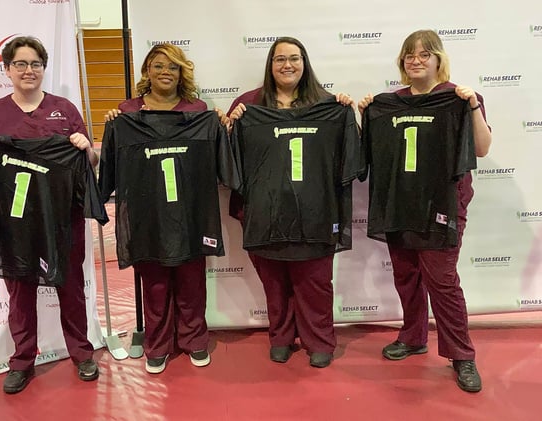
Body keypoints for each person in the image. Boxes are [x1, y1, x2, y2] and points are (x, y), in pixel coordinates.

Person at [358, 29, 492, 392]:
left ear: (438, 59)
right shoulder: (390, 102)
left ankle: (462, 355)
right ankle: (413, 336)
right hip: (399, 202)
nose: (415, 60)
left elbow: (481, 149)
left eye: (423, 54)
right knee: (406, 275)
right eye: (409, 55)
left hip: (442, 203)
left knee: (442, 280)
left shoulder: (459, 98)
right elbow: (367, 151)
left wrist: (474, 107)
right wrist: (365, 114)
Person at [0, 36, 101, 394]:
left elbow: (89, 164)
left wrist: (86, 149)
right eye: (21, 64)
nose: (29, 71)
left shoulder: (65, 109)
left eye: (36, 64)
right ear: (8, 70)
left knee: (70, 288)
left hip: (61, 219)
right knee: (20, 294)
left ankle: (82, 354)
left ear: (44, 68)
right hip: (14, 223)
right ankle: (22, 361)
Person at [228, 36, 358, 368]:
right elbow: (227, 158)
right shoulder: (250, 105)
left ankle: (319, 340)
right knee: (274, 282)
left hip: (315, 211)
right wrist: (229, 124)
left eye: (295, 58)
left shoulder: (327, 103)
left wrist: (346, 113)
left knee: (314, 282)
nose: (288, 65)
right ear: (270, 65)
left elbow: (350, 155)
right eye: (280, 59)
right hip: (265, 211)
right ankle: (281, 336)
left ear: (305, 63)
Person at [103, 43, 227, 374]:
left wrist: (222, 124)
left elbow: (218, 158)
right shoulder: (126, 113)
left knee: (191, 281)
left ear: (181, 72)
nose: (165, 72)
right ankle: (158, 344)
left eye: (172, 66)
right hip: (148, 215)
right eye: (158, 66)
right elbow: (111, 167)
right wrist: (114, 124)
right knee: (155, 285)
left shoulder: (197, 110)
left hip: (190, 212)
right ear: (147, 71)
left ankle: (194, 340)